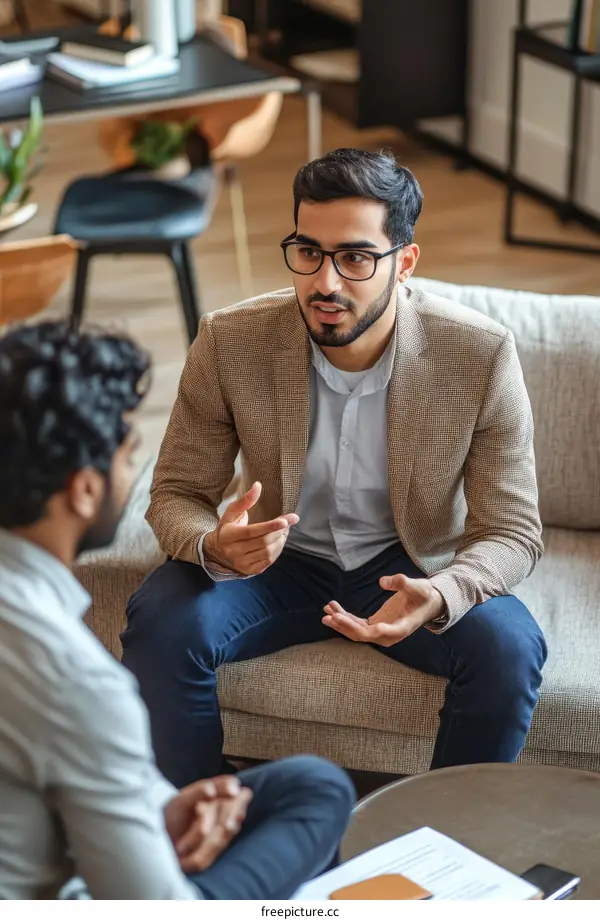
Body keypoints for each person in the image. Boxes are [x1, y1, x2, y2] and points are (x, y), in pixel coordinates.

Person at [122, 147, 548, 790]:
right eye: (309, 252)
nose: (325, 282)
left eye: (354, 258)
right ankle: (199, 821)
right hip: (275, 561)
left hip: (410, 563)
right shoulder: (229, 340)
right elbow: (177, 491)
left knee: (510, 648)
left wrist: (443, 591)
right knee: (161, 619)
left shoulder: (480, 354)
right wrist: (212, 543)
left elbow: (512, 530)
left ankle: (444, 849)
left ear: (404, 262)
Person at [0, 322, 354, 900]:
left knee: (310, 784)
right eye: (127, 456)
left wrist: (160, 809)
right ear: (84, 490)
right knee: (321, 795)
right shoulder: (73, 679)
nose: (130, 476)